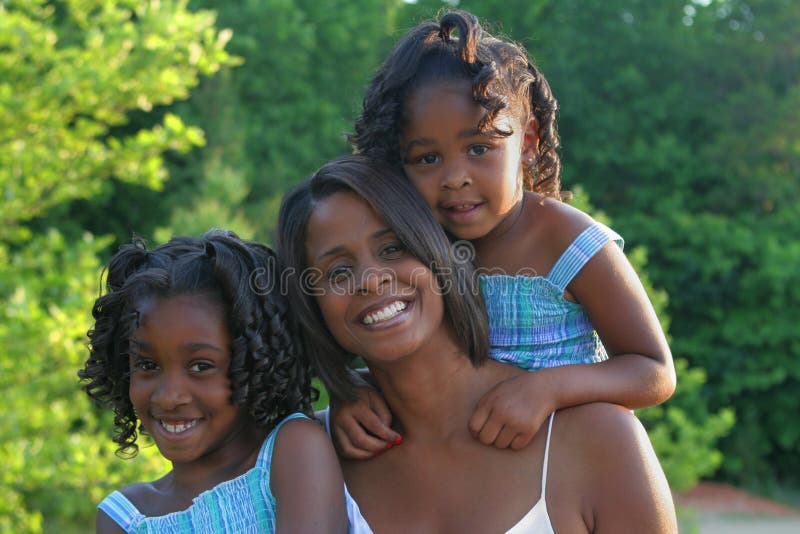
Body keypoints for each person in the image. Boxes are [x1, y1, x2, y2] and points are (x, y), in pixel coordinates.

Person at [332, 9, 677, 458]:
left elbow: (653, 371)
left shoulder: (569, 242)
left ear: (528, 143)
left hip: (570, 469)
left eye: (479, 148)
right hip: (461, 471)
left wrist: (546, 390)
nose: (455, 177)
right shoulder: (413, 250)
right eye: (426, 159)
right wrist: (352, 391)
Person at [277, 154, 678, 533]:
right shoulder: (310, 458)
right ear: (312, 303)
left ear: (439, 252)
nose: (371, 278)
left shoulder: (598, 439)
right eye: (338, 271)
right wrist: (343, 387)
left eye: (393, 248)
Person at [79, 230, 346, 533]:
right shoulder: (125, 517)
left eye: (201, 366)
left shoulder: (292, 451)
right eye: (148, 365)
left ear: (256, 363)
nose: (169, 397)